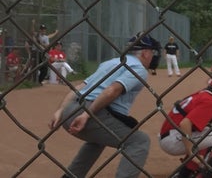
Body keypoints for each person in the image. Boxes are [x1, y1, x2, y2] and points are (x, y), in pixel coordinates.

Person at [48, 32, 157, 178]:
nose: (153, 56)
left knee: (98, 140)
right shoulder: (139, 69)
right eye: (152, 52)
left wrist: (60, 111)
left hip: (70, 110)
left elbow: (80, 86)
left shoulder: (111, 62)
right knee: (139, 141)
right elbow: (113, 90)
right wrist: (87, 114)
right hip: (91, 113)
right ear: (145, 53)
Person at [32, 19, 59, 84]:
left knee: (45, 68)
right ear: (40, 30)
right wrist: (33, 24)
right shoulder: (37, 35)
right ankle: (34, 81)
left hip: (42, 53)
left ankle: (39, 81)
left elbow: (47, 46)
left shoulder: (46, 37)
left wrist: (41, 43)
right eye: (42, 29)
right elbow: (32, 32)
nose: (43, 30)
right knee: (35, 67)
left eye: (44, 29)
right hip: (36, 52)